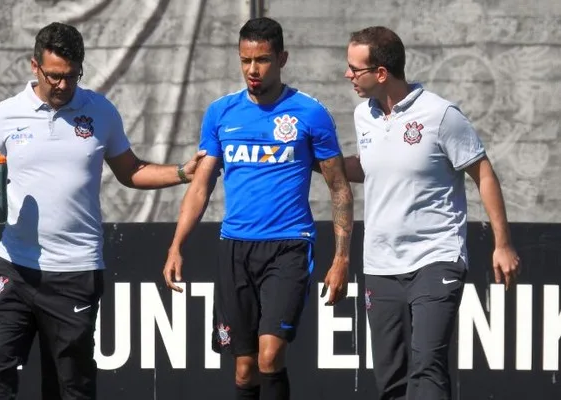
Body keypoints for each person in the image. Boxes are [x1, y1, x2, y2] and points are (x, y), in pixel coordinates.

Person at [0, 22, 204, 400]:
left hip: (76, 272)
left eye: (71, 76)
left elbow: (131, 171)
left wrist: (180, 173)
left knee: (70, 389)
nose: (62, 85)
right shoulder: (6, 113)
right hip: (13, 267)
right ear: (34, 67)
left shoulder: (100, 111)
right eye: (54, 76)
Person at [162, 17, 354, 400]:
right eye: (246, 60)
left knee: (270, 356)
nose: (253, 69)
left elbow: (339, 187)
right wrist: (176, 245)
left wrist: (341, 258)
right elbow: (201, 185)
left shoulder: (310, 113)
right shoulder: (221, 113)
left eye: (263, 60)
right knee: (245, 367)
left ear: (282, 58)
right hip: (235, 248)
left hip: (289, 247)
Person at [342, 26, 520, 400]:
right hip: (380, 263)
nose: (348, 76)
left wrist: (502, 244)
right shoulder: (363, 117)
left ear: (381, 73)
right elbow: (370, 167)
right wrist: (316, 162)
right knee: (390, 377)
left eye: (354, 69)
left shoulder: (441, 115)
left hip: (435, 258)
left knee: (427, 366)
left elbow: (483, 173)